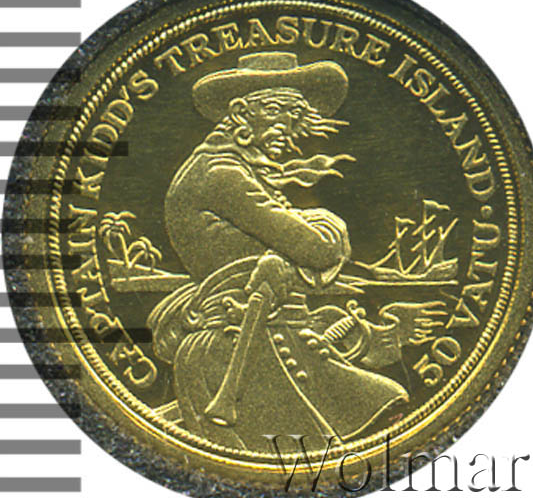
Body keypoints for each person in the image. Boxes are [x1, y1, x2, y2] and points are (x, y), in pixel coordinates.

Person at [148, 53, 408, 450]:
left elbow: (297, 242)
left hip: (271, 338)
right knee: (378, 413)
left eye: (294, 114)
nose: (285, 127)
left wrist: (308, 227)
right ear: (240, 113)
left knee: (384, 410)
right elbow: (317, 250)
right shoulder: (222, 175)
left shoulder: (237, 171)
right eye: (274, 111)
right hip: (242, 347)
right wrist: (326, 223)